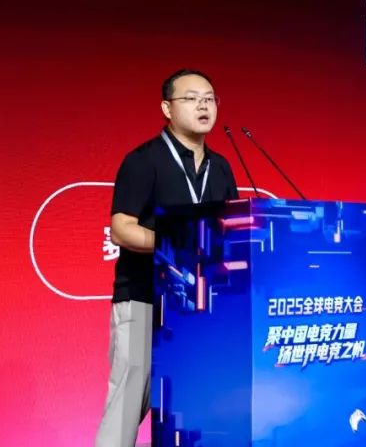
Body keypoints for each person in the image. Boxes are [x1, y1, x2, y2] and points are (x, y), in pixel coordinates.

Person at [96, 69, 239, 447]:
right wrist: (175, 243)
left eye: (209, 99)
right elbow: (121, 228)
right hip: (145, 297)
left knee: (195, 404)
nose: (203, 106)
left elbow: (229, 226)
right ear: (167, 108)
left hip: (199, 305)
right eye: (191, 98)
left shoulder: (221, 166)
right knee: (128, 403)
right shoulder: (143, 160)